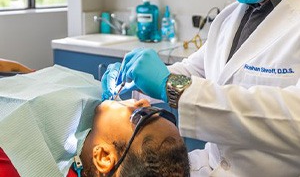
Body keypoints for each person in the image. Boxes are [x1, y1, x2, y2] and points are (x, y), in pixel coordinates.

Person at [102, 0, 300, 176]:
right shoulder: (231, 16)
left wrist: (171, 87)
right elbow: (194, 71)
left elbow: (294, 118)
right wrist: (134, 79)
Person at [0, 65, 190, 177]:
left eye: (142, 115)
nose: (145, 101)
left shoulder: (12, 160)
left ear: (104, 157)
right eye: (157, 111)